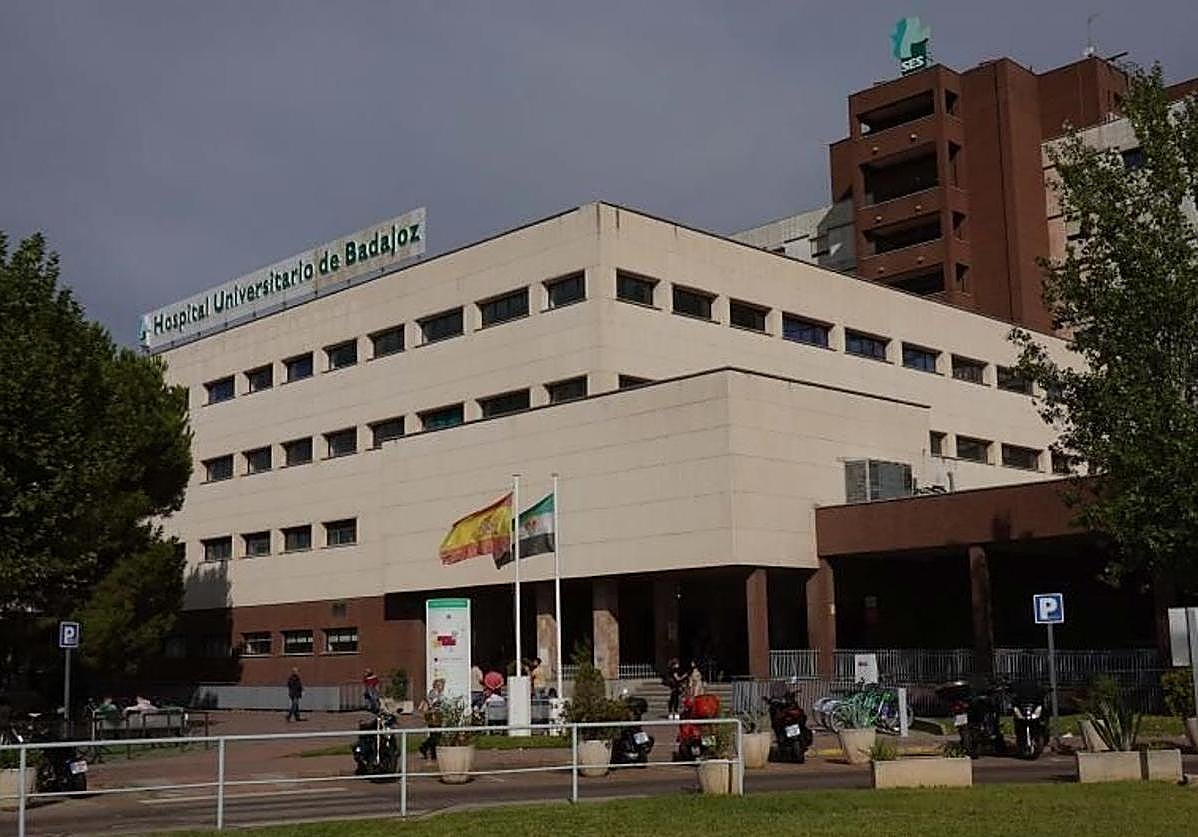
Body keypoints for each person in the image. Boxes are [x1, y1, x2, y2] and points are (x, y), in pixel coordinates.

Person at [418, 678, 445, 759]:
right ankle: (424, 747)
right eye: (440, 685)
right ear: (436, 685)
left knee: (436, 735)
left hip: (438, 716)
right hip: (432, 716)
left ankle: (432, 753)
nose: (442, 687)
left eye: (442, 685)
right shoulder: (433, 693)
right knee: (435, 735)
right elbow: (431, 704)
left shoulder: (440, 693)